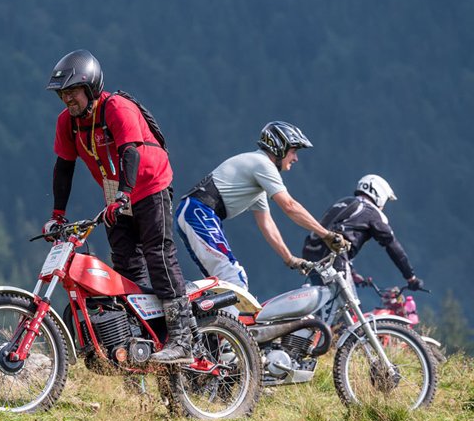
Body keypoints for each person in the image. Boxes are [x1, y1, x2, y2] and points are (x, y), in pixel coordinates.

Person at [42, 49, 194, 364]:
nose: (68, 100)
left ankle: (182, 337)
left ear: (91, 87)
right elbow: (64, 167)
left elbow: (130, 153)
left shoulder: (117, 108)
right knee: (125, 268)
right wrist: (57, 215)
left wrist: (125, 194)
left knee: (158, 254)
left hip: (150, 185)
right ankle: (138, 342)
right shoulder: (67, 123)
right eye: (62, 95)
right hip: (117, 195)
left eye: (73, 92)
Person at [176, 121, 348, 291]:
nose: (296, 158)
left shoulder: (257, 177)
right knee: (234, 278)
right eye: (293, 151)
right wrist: (326, 235)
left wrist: (289, 259)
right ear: (279, 148)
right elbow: (290, 206)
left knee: (220, 283)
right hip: (199, 212)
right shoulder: (262, 164)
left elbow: (266, 223)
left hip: (195, 212)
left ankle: (194, 310)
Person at [302, 174, 424, 321]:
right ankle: (338, 341)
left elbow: (337, 233)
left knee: (325, 309)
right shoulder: (371, 212)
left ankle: (314, 338)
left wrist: (352, 273)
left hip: (310, 254)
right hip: (333, 259)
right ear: (379, 194)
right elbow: (392, 246)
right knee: (350, 313)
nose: (383, 206)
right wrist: (410, 277)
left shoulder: (344, 203)